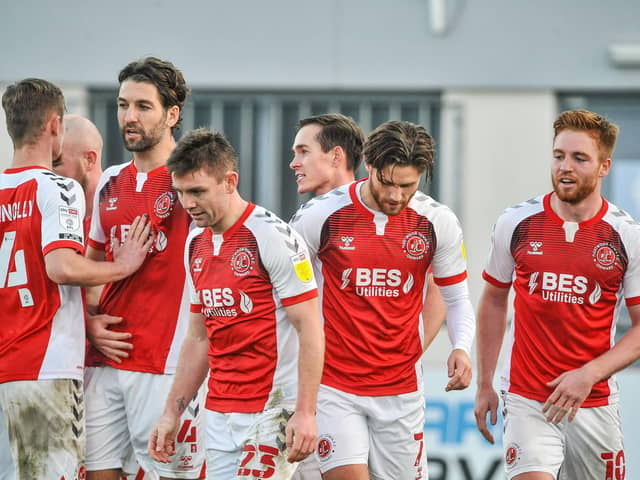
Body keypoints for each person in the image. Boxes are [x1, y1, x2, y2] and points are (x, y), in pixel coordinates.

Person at [290, 120, 475, 480]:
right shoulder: (318, 216)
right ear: (369, 166)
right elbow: (290, 301)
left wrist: (462, 346)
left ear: (421, 175)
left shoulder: (438, 222)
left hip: (402, 390)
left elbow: (457, 298)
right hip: (334, 385)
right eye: (387, 183)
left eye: (407, 186)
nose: (395, 195)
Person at [148, 128, 325, 480]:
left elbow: (310, 327)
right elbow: (198, 338)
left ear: (230, 182)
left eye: (197, 191)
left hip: (271, 408)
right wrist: (172, 412)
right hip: (219, 411)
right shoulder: (195, 243)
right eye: (181, 192)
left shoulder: (271, 236)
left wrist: (305, 412)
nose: (188, 203)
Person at [474, 109, 640, 480]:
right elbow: (494, 299)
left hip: (592, 401)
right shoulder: (515, 222)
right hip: (527, 397)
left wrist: (589, 374)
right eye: (559, 155)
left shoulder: (627, 236)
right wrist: (485, 382)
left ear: (604, 167)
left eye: (580, 158)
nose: (565, 166)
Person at [0, 79, 152, 480]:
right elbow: (62, 267)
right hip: (43, 363)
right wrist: (124, 266)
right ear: (55, 124)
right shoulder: (56, 186)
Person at [84, 57, 205, 480]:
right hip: (104, 361)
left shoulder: (192, 181)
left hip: (165, 364)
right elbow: (92, 265)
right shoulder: (109, 181)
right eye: (122, 105)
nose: (128, 117)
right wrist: (89, 321)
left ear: (172, 114)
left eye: (142, 106)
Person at [290, 113, 447, 350]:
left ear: (336, 156)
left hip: (388, 380)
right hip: (319, 373)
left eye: (304, 152)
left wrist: (405, 353)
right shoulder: (308, 220)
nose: (294, 162)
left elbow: (440, 290)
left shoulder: (404, 215)